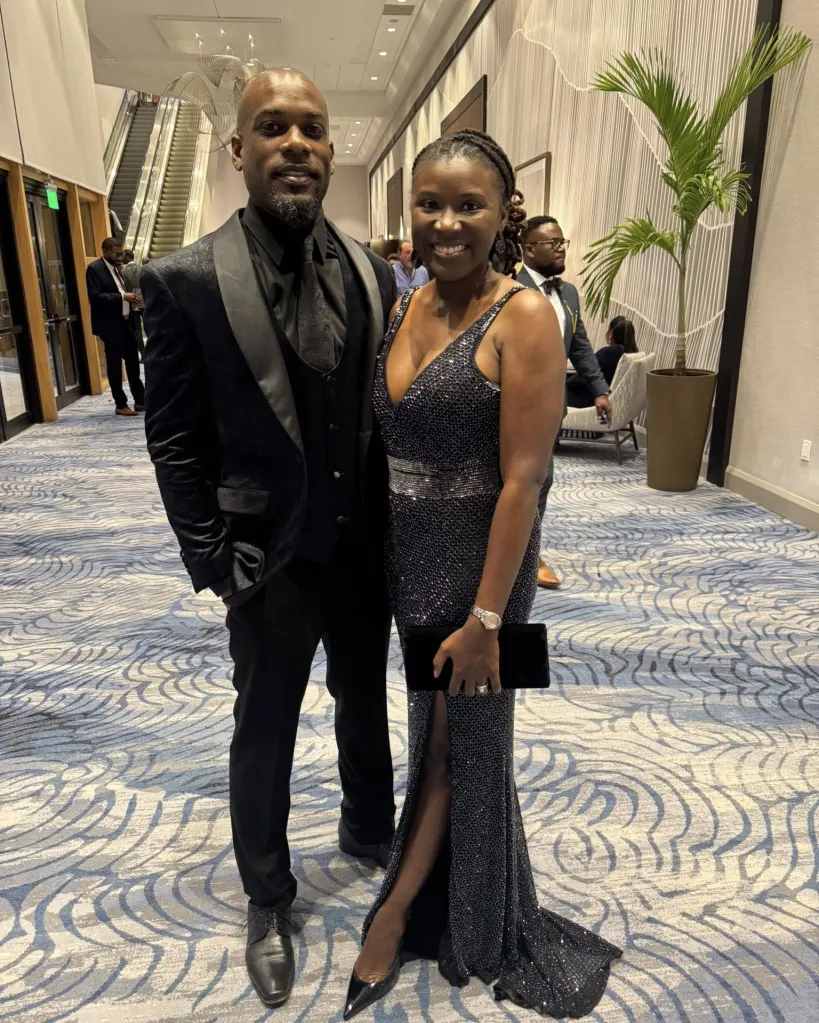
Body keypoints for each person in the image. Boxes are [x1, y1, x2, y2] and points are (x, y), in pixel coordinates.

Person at [345, 129, 621, 1021]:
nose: (447, 221)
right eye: (430, 203)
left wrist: (489, 618)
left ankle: (397, 918)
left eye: (469, 204)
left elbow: (523, 481)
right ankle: (461, 898)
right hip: (411, 560)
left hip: (483, 572)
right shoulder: (404, 305)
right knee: (441, 735)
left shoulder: (526, 315)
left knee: (454, 743)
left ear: (503, 213)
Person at [141, 68, 396, 1009]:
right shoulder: (182, 279)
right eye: (273, 127)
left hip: (362, 548)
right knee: (266, 726)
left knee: (365, 701)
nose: (295, 143)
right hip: (265, 559)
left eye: (312, 129)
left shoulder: (373, 271)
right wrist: (214, 559)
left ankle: (370, 830)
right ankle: (268, 894)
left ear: (330, 150)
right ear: (238, 149)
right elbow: (172, 436)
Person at [517, 216, 613, 589]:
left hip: (551, 406)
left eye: (562, 242)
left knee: (540, 481)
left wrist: (600, 390)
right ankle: (519, 555)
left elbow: (580, 346)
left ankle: (525, 553)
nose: (561, 249)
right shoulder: (509, 287)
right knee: (522, 481)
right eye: (553, 243)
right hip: (512, 406)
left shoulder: (568, 293)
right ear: (529, 249)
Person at [86, 237, 144, 416]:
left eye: (121, 253)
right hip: (110, 325)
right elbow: (95, 297)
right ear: (105, 251)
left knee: (133, 363)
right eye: (116, 254)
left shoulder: (118, 269)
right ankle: (120, 404)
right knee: (114, 366)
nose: (120, 258)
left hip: (126, 322)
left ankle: (141, 401)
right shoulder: (94, 269)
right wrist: (122, 297)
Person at [566, 315, 637, 407]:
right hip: (606, 399)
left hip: (589, 399)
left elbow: (586, 374)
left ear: (611, 334)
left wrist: (565, 382)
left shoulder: (608, 353)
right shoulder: (632, 355)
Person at [120, 249, 145, 361]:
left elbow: (124, 289)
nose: (122, 258)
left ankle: (143, 354)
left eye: (123, 256)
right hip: (145, 300)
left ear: (127, 257)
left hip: (133, 301)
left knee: (137, 329)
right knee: (150, 327)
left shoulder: (124, 272)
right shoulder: (142, 269)